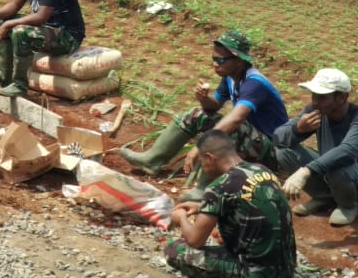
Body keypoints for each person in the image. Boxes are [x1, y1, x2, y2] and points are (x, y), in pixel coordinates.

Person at [120, 30, 288, 201]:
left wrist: (202, 145)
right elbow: (214, 106)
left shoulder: (254, 84)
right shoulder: (231, 77)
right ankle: (153, 160)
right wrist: (203, 98)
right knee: (198, 114)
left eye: (220, 60)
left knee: (231, 129)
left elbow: (237, 118)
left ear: (238, 60)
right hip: (252, 141)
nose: (215, 64)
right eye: (214, 59)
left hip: (271, 152)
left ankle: (204, 189)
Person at [164, 130, 296, 278]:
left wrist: (181, 218)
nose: (203, 169)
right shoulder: (263, 170)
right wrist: (202, 206)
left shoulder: (219, 186)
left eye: (202, 162)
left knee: (174, 249)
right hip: (286, 273)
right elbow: (244, 201)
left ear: (210, 158)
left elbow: (194, 241)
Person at [274, 68, 358, 226]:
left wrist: (305, 172)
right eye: (314, 95)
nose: (315, 101)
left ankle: (349, 205)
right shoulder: (316, 111)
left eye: (322, 97)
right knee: (284, 152)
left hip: (352, 174)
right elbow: (278, 138)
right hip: (332, 172)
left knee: (337, 162)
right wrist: (297, 130)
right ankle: (325, 197)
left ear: (342, 97)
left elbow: (347, 150)